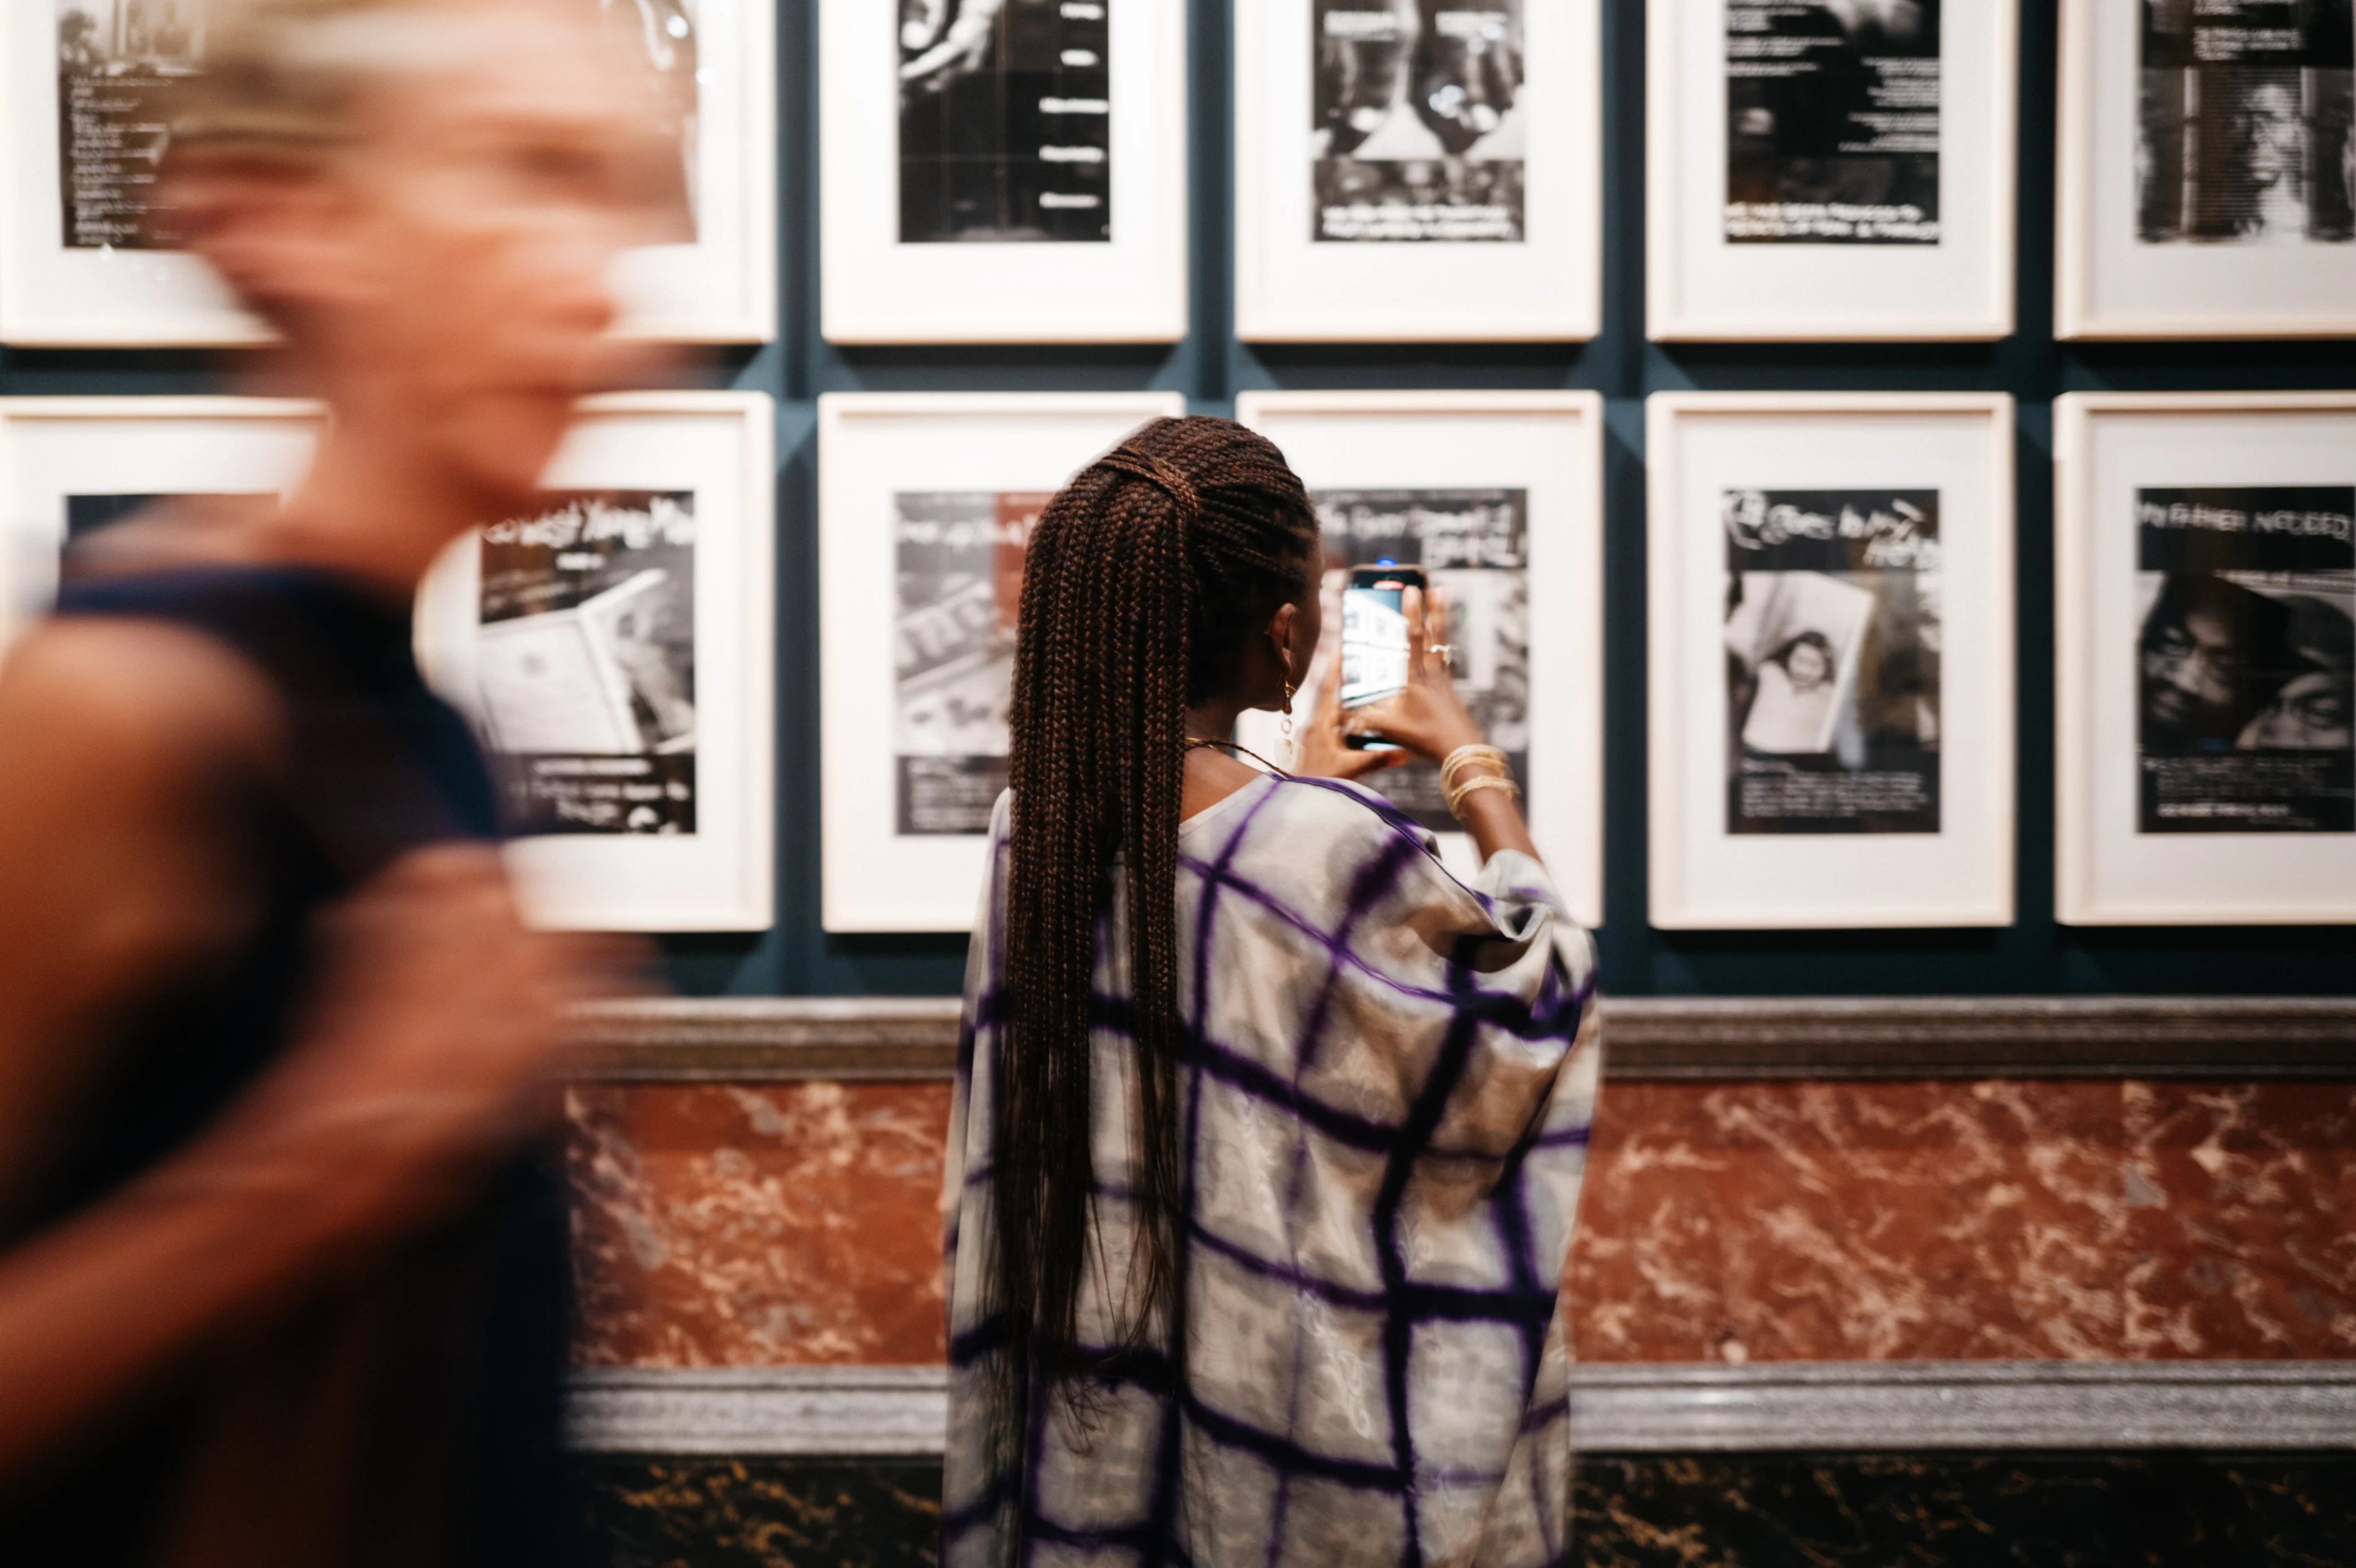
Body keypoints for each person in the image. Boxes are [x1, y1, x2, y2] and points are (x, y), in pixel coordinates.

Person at [0, 0, 680, 1561]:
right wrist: (332, 1151)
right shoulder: (121, 704)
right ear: (280, 218)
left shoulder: (391, 704)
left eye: (623, 201)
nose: (601, 285)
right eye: (528, 172)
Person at [942, 416, 1600, 1566]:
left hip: (1088, 1417)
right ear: (1286, 636)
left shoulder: (1027, 831)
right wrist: (1465, 755)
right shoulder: (1320, 844)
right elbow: (1535, 1002)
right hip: (1276, 1448)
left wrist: (1295, 787)